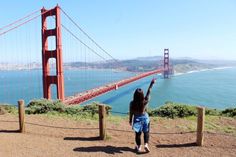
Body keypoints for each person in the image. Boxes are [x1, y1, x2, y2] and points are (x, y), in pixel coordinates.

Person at [129, 78, 156, 153]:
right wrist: (151, 84)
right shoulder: (145, 101)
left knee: (138, 134)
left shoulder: (132, 103)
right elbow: (149, 92)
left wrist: (130, 120)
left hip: (137, 119)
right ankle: (146, 145)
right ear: (142, 95)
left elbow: (131, 112)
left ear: (134, 95)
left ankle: (138, 147)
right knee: (146, 132)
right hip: (145, 118)